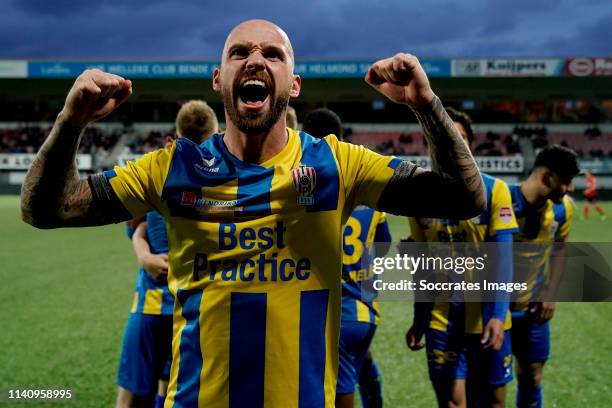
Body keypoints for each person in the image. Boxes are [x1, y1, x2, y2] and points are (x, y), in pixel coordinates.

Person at [20, 19, 485, 407]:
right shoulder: (173, 168)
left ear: (294, 85)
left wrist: (426, 106)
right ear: (219, 78)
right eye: (239, 52)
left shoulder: (339, 165)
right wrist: (70, 122)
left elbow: (465, 198)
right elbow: (46, 208)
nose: (256, 60)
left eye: (273, 54)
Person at [405, 107, 518, 408]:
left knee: (493, 401)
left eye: (459, 138)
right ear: (430, 144)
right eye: (442, 138)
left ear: (471, 144)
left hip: (488, 319)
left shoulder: (496, 191)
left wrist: (496, 314)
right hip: (442, 321)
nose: (451, 145)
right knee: (452, 404)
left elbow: (503, 261)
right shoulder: (419, 198)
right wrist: (419, 319)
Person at [116, 100, 219, 408]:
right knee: (176, 392)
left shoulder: (158, 169)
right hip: (195, 310)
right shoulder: (226, 177)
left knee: (131, 396)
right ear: (216, 133)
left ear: (175, 133)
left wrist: (142, 252)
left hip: (151, 305)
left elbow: (135, 225)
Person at [303, 108, 388, 408]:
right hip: (366, 310)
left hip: (332, 313)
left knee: (335, 390)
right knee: (359, 364)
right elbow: (384, 247)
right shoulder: (365, 183)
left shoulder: (306, 187)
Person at [508, 145, 579, 408]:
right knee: (490, 385)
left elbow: (561, 249)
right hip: (494, 310)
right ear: (548, 178)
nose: (570, 188)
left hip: (533, 311)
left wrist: (551, 293)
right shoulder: (502, 201)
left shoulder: (563, 210)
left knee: (532, 377)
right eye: (567, 181)